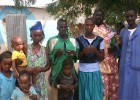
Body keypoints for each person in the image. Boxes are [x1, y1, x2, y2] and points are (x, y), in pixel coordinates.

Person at [47, 18, 78, 100]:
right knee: (55, 96)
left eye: (65, 27)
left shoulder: (73, 40)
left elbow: (77, 55)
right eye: (61, 27)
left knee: (69, 96)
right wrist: (56, 55)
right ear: (57, 28)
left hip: (70, 76)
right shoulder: (51, 41)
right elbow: (48, 57)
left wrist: (74, 54)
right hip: (56, 73)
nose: (63, 29)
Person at [93, 10, 118, 100]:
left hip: (111, 64)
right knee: (103, 91)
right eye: (97, 15)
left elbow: (115, 42)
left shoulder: (108, 28)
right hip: (99, 65)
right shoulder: (91, 29)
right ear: (93, 16)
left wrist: (114, 47)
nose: (99, 17)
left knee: (113, 89)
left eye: (101, 15)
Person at [76, 18, 104, 100]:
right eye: (87, 25)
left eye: (91, 25)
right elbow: (77, 57)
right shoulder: (78, 40)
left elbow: (102, 57)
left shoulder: (99, 39)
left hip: (95, 71)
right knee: (84, 95)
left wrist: (95, 51)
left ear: (93, 26)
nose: (89, 27)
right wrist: (83, 52)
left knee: (96, 95)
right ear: (84, 26)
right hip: (83, 71)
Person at [24, 21, 50, 100]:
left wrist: (41, 69)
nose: (37, 37)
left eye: (39, 35)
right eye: (35, 35)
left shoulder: (44, 49)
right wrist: (28, 70)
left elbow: (48, 66)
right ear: (31, 35)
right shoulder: (25, 48)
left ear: (42, 36)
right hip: (28, 83)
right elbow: (20, 65)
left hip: (41, 84)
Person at [118, 8, 140, 100]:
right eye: (127, 16)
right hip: (124, 66)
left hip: (137, 67)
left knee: (136, 89)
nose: (130, 18)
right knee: (124, 89)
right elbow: (120, 50)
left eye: (132, 16)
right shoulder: (123, 32)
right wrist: (118, 44)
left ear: (136, 16)